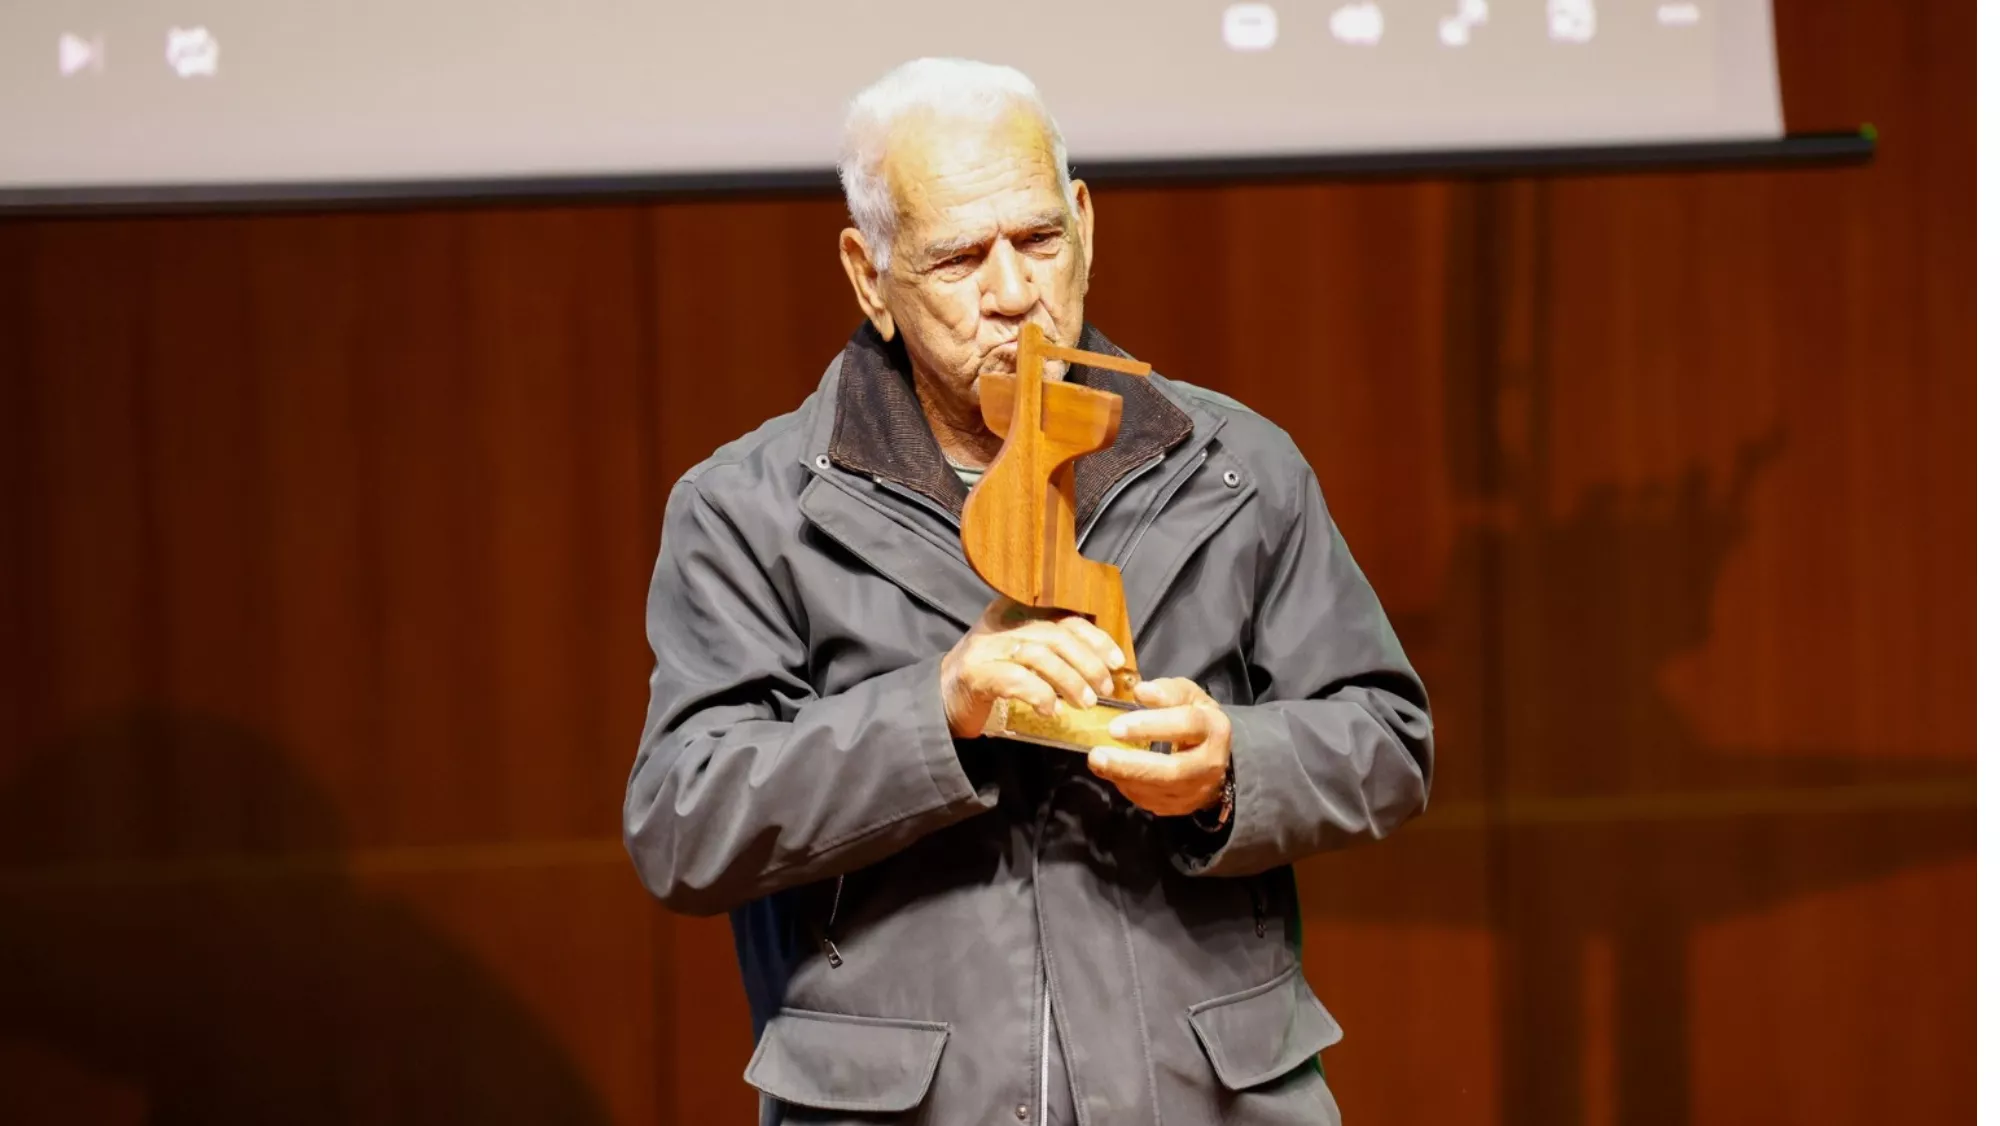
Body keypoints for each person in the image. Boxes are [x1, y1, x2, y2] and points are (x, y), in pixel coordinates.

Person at [624, 57, 1435, 1125]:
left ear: (1085, 225)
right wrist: (939, 710)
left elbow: (1385, 738)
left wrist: (1233, 764)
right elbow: (684, 822)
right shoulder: (752, 507)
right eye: (960, 258)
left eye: (1039, 240)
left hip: (1210, 1096)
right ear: (870, 276)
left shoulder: (1234, 467)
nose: (1013, 293)